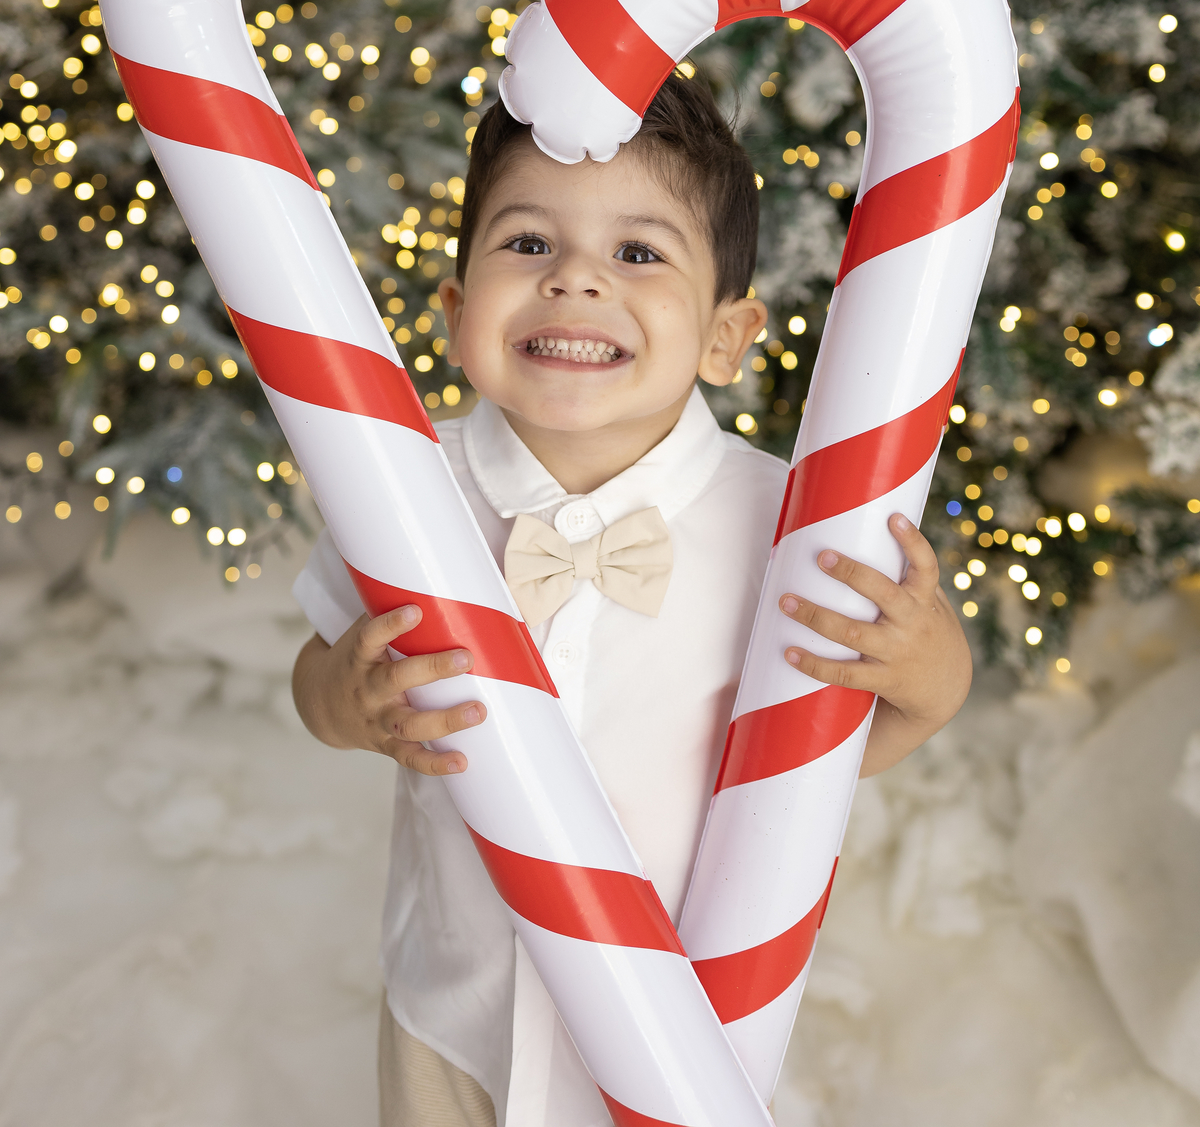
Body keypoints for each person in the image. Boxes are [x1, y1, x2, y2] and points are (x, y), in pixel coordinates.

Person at [290, 72, 971, 1127]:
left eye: (639, 253)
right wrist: (348, 699)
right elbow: (318, 676)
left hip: (691, 1025)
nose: (574, 281)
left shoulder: (790, 527)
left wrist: (928, 672)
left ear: (726, 339)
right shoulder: (406, 494)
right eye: (527, 244)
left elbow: (829, 745)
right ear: (459, 309)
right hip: (456, 1017)